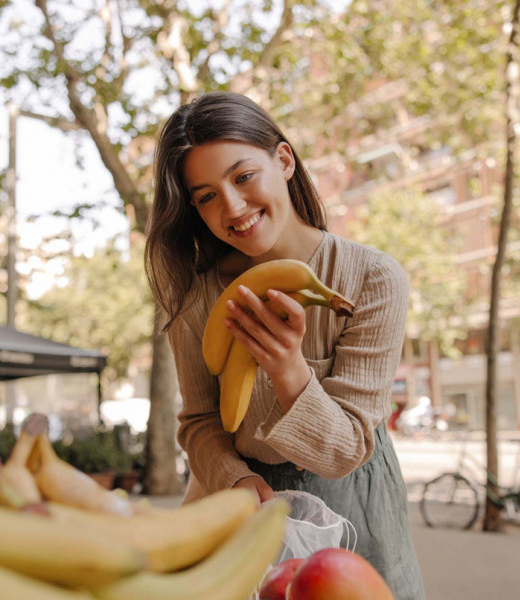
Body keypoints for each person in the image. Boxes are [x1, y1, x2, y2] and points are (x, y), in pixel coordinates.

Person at [145, 91, 425, 599]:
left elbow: (345, 451)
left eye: (243, 177)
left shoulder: (373, 278)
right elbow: (200, 421)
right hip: (246, 502)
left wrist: (288, 368)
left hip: (356, 501)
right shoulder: (197, 298)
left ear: (284, 160)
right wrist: (233, 479)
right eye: (206, 197)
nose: (232, 208)